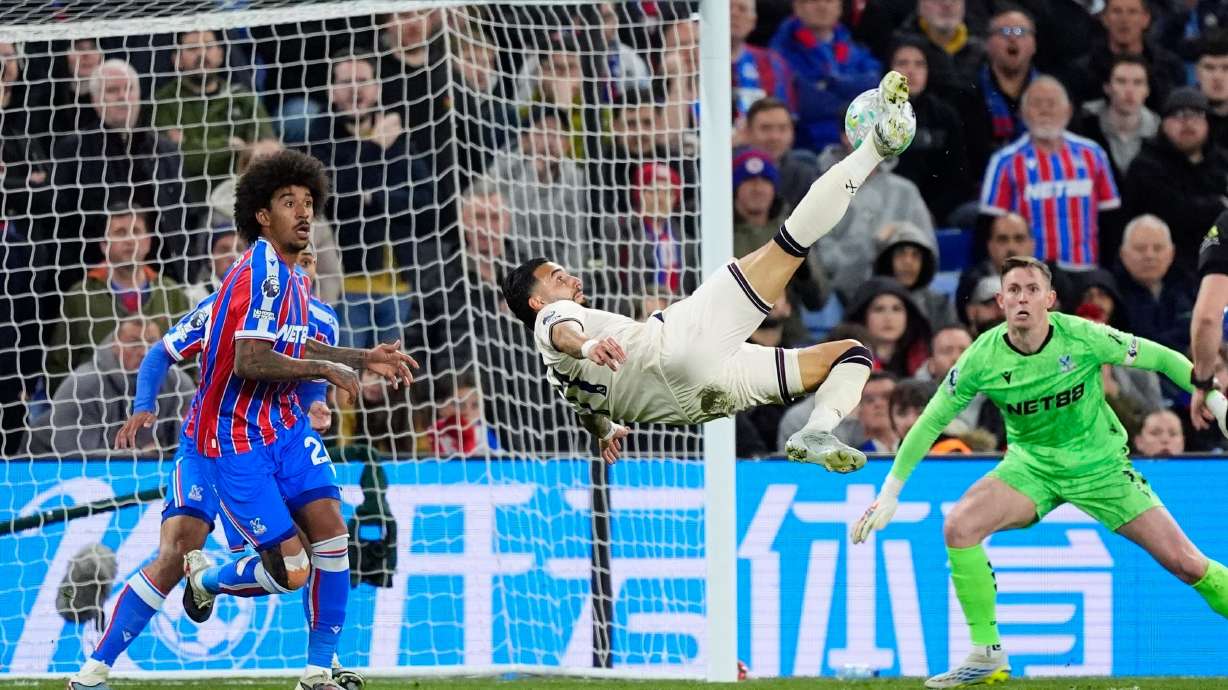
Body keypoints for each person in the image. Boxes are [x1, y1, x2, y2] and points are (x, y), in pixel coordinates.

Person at [500, 72, 917, 467]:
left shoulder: (561, 379)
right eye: (557, 278)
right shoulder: (554, 319)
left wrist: (606, 430)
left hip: (703, 400)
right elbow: (564, 331)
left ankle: (817, 431)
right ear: (537, 301)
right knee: (789, 243)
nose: (571, 278)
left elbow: (588, 412)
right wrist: (589, 345)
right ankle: (874, 149)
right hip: (673, 349)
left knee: (850, 354)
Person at [852, 255, 1228, 688]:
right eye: (1013, 290)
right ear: (1001, 301)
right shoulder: (983, 357)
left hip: (1101, 468)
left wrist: (1216, 402)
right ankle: (987, 653)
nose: (1022, 298)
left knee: (1187, 564)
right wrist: (891, 491)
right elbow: (931, 420)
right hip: (1031, 466)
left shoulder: (1084, 336)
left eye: (1032, 290)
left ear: (1049, 299)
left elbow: (1163, 360)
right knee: (959, 527)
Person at [176, 150, 415, 690]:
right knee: (295, 569)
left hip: (284, 431)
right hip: (236, 439)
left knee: (333, 535)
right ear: (262, 216)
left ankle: (318, 669)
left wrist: (361, 357)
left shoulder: (289, 277)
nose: (304, 212)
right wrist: (326, 369)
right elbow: (251, 359)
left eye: (308, 202)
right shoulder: (260, 272)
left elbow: (294, 343)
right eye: (289, 202)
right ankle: (208, 578)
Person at [65, 251, 358, 690]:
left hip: (278, 443)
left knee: (319, 541)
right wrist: (144, 405)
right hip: (212, 447)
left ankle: (321, 665)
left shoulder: (321, 320)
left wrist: (316, 406)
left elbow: (312, 387)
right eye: (293, 262)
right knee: (177, 551)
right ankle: (93, 672)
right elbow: (161, 353)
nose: (300, 270)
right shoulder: (222, 308)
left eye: (308, 262)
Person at [980, 76, 1121, 269]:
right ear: (1022, 112)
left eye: (1052, 103)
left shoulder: (1093, 154)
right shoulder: (1005, 161)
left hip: (1086, 270)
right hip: (1029, 272)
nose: (1044, 110)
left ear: (1068, 110)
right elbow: (990, 225)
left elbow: (1110, 220)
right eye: (1037, 104)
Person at [25, 317, 192, 456]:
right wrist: (143, 455)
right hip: (41, 463)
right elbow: (76, 458)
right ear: (114, 345)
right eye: (134, 343)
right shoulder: (82, 385)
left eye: (151, 343)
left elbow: (187, 448)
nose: (144, 352)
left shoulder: (179, 385)